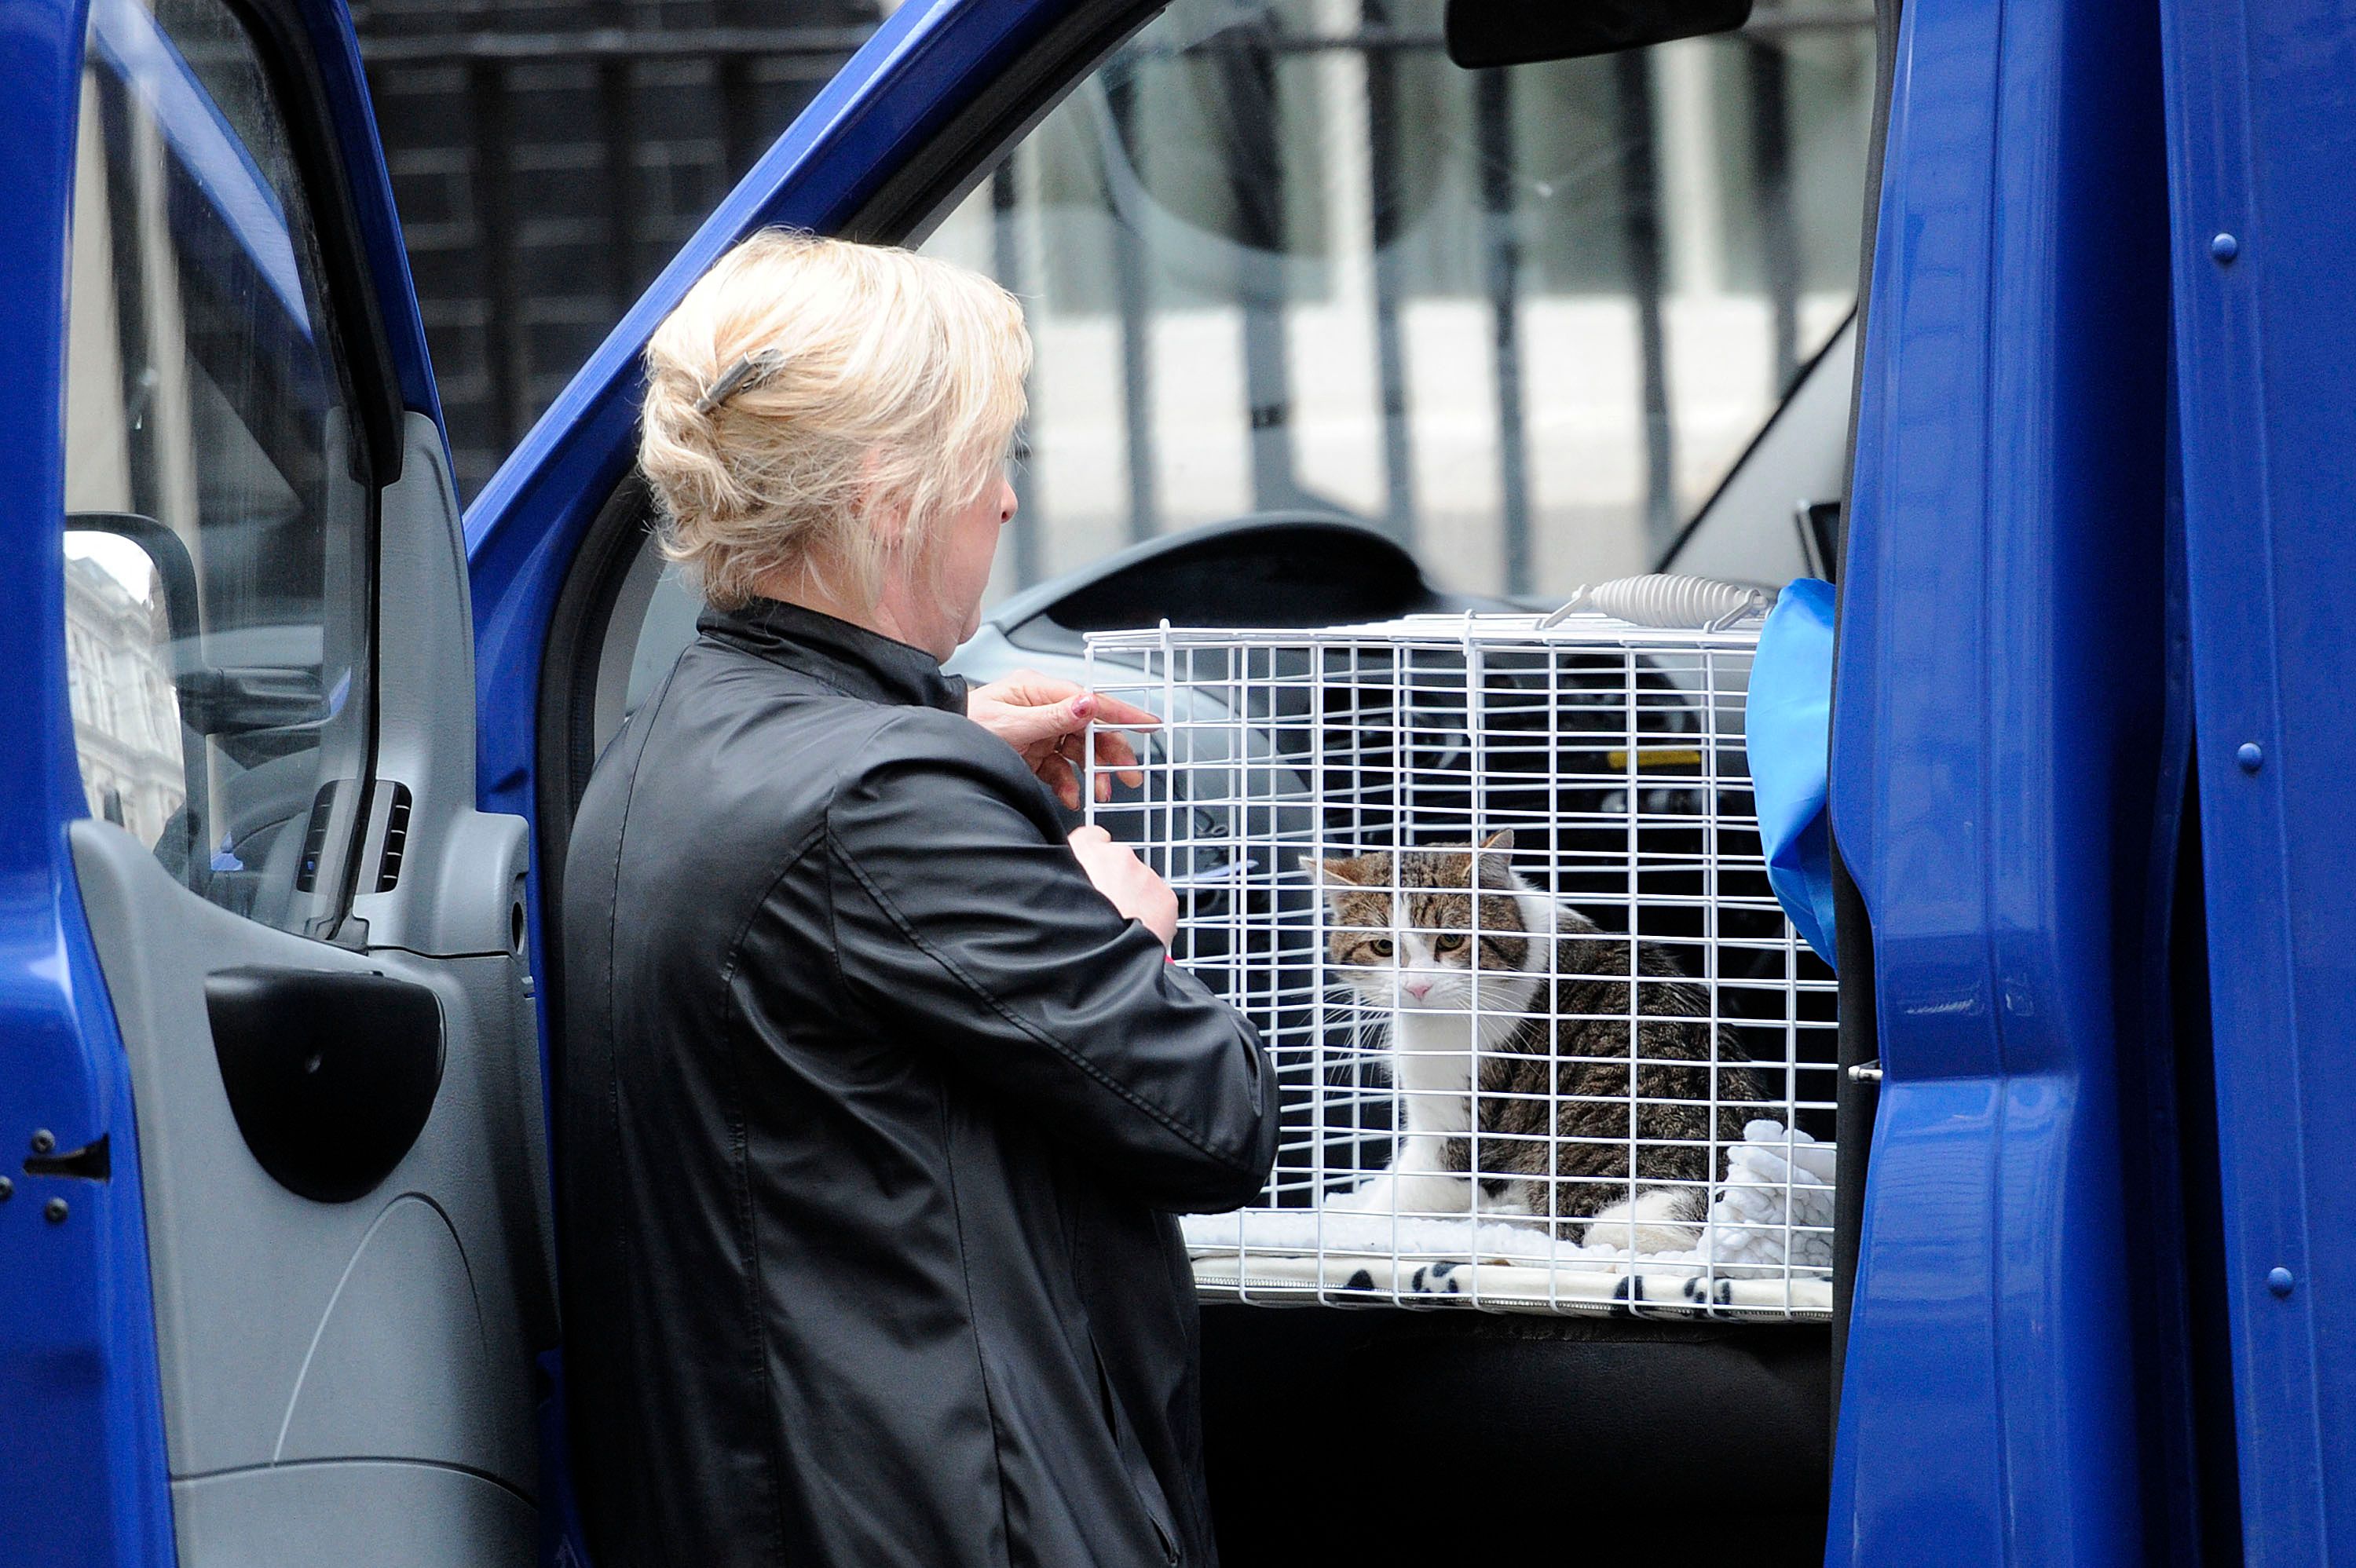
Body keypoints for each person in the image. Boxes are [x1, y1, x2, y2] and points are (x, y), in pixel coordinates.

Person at [556, 229, 1279, 1568]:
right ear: (891, 497)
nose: (1005, 502)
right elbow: (1213, 1113)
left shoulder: (672, 738)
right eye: (987, 459)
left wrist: (947, 734)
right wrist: (1120, 920)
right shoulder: (885, 802)